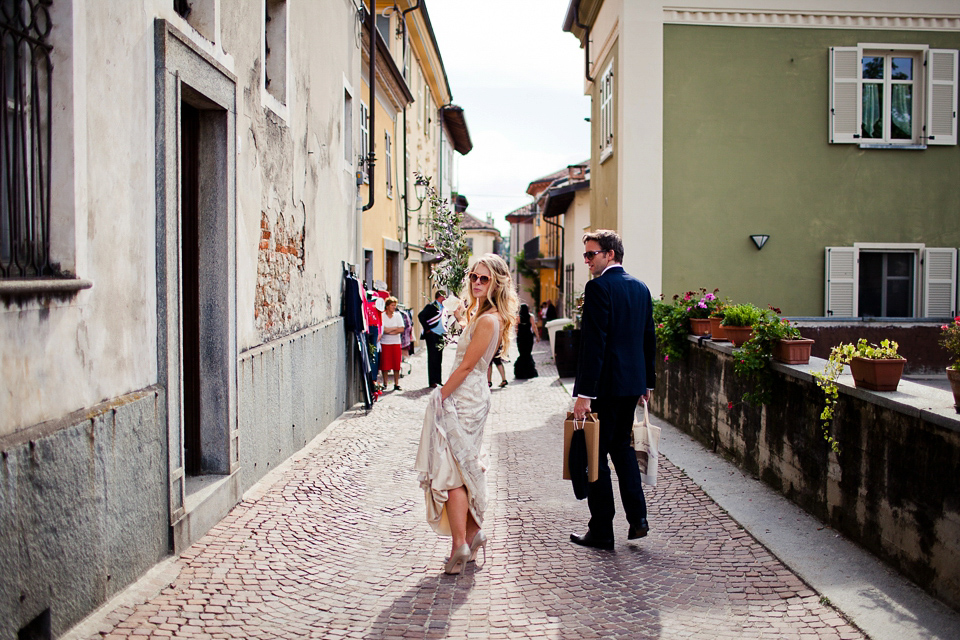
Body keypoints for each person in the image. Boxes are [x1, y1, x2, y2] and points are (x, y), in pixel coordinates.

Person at [415, 254, 518, 575]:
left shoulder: (489, 319)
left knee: (454, 470)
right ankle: (472, 537)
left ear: (497, 282)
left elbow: (467, 365)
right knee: (462, 465)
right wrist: (463, 320)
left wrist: (440, 395)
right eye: (474, 276)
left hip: (466, 397)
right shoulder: (485, 315)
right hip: (470, 394)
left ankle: (459, 543)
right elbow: (471, 346)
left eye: (484, 279)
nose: (476, 282)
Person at [570, 229, 656, 551]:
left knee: (596, 457)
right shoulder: (641, 288)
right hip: (631, 386)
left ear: (610, 254)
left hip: (605, 390)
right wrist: (647, 383)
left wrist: (584, 395)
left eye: (591, 254)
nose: (587, 261)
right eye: (586, 255)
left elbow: (595, 345)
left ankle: (602, 530)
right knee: (621, 450)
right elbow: (649, 339)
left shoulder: (599, 288)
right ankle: (638, 520)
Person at [418, 291, 447, 389]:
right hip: (432, 335)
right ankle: (432, 381)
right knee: (432, 358)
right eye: (444, 297)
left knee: (439, 359)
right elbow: (421, 316)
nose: (445, 299)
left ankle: (439, 380)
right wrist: (427, 329)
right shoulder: (431, 306)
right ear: (439, 297)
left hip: (440, 335)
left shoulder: (444, 308)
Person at [379, 297, 405, 391]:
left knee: (396, 364)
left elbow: (401, 329)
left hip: (396, 343)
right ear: (387, 306)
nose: (394, 307)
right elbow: (383, 330)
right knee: (385, 364)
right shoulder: (382, 316)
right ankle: (385, 383)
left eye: (395, 305)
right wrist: (394, 329)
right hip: (385, 342)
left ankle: (396, 383)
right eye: (392, 305)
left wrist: (389, 330)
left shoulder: (398, 315)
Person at [513, 303, 539, 379]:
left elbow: (516, 328)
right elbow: (534, 326)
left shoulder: (518, 317)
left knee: (522, 353)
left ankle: (521, 372)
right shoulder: (531, 316)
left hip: (521, 337)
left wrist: (518, 335)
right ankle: (529, 372)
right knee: (527, 353)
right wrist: (537, 336)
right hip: (528, 336)